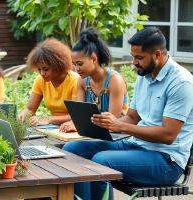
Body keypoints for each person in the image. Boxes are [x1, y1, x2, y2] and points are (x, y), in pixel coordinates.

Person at [63, 27, 193, 200]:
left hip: (166, 161)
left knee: (102, 161)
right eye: (133, 57)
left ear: (157, 54)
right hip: (136, 145)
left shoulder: (181, 82)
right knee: (72, 150)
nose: (134, 62)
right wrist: (106, 123)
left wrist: (120, 126)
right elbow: (132, 117)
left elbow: (168, 134)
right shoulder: (144, 75)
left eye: (139, 58)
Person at [59, 28, 129, 132]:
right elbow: (80, 116)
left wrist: (80, 126)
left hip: (118, 135)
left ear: (94, 59)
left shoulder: (114, 81)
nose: (76, 69)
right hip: (93, 133)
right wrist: (72, 123)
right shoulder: (82, 81)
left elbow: (112, 123)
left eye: (80, 64)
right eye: (74, 64)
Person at [17, 38, 79, 125]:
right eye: (39, 69)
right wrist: (23, 114)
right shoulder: (40, 80)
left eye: (46, 69)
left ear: (58, 65)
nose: (42, 73)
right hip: (52, 127)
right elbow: (30, 109)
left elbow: (76, 116)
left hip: (72, 127)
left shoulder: (75, 81)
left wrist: (48, 119)